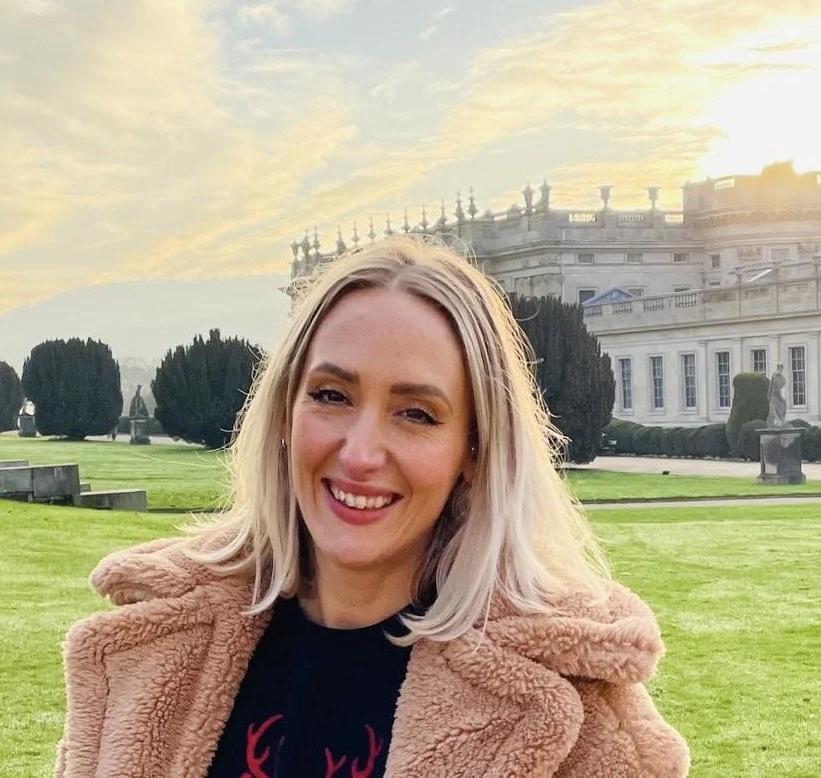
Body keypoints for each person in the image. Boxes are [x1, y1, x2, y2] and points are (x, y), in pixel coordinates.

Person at [55, 237, 689, 777]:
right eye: (331, 395)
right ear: (284, 413)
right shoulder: (157, 647)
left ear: (473, 450)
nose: (360, 454)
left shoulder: (575, 717)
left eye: (416, 413)